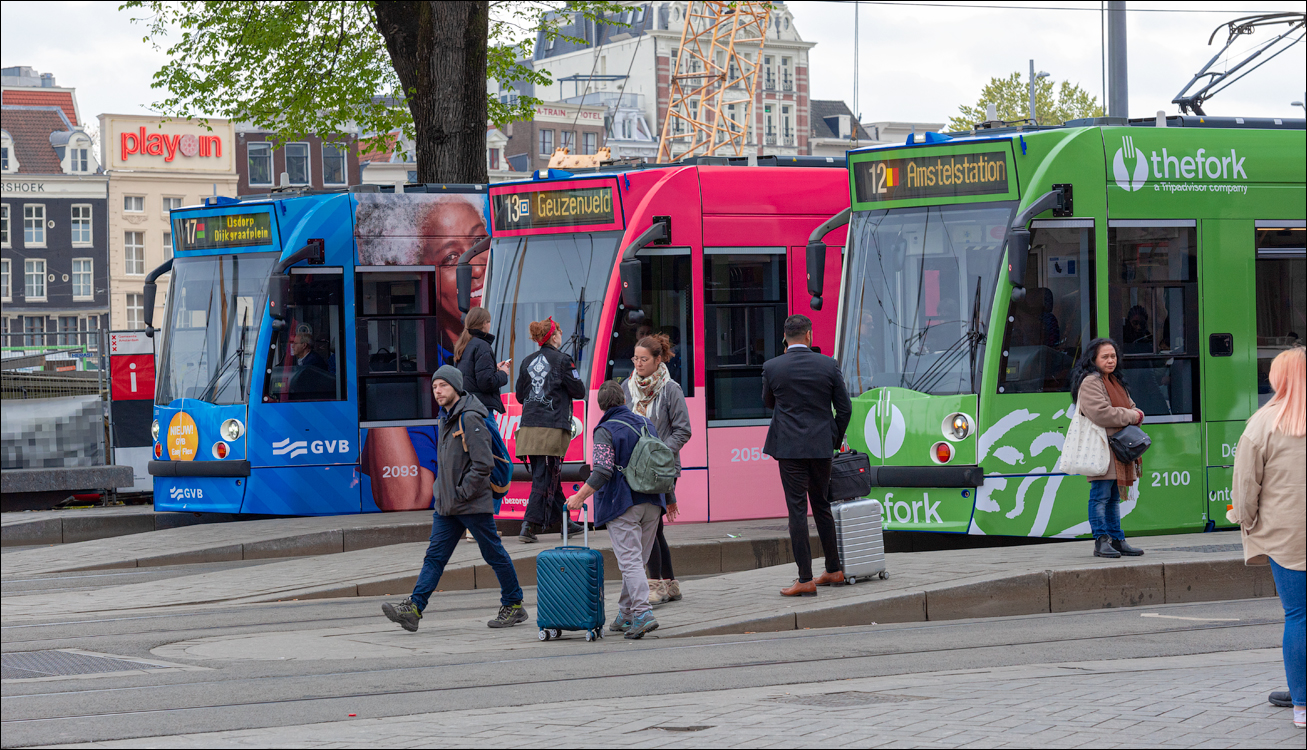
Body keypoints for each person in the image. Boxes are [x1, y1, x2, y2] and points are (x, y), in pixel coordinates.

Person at [382, 365, 529, 632]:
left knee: (493, 553)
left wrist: (463, 492)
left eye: (443, 386)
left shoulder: (470, 418)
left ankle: (514, 604)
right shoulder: (446, 417)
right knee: (434, 557)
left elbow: (482, 463)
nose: (438, 391)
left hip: (470, 502)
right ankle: (414, 608)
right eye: (435, 386)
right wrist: (443, 492)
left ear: (456, 388)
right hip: (447, 504)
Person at [1229, 346, 1305, 727]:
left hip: (1288, 536)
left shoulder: (1263, 423)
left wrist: (1243, 518)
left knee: (1298, 616)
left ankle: (1302, 704)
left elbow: (1245, 485)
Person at [565, 380, 665, 639]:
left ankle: (642, 613)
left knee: (630, 562)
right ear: (623, 399)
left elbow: (602, 470)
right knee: (636, 562)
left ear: (601, 406)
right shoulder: (646, 423)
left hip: (624, 503)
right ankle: (626, 613)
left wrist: (579, 497)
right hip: (654, 502)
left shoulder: (605, 430)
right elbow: (664, 462)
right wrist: (671, 498)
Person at [762, 314, 853, 597]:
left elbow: (768, 403)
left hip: (789, 449)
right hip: (821, 448)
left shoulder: (772, 367)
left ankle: (805, 578)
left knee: (797, 510)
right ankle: (834, 569)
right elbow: (845, 408)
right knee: (822, 505)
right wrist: (832, 439)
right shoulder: (828, 365)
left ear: (785, 338)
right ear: (809, 335)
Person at [624, 333, 691, 605]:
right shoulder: (629, 387)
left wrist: (658, 451)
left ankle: (656, 586)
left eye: (643, 359)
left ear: (658, 360)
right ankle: (670, 583)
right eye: (635, 359)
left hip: (661, 469)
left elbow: (683, 430)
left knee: (648, 526)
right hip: (637, 468)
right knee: (655, 527)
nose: (638, 364)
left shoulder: (670, 389)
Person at [1068, 338, 1146, 559]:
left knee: (1112, 497)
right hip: (1102, 447)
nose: (1111, 360)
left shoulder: (1114, 380)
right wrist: (1133, 416)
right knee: (1100, 496)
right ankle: (1101, 541)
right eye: (1105, 357)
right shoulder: (1091, 382)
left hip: (1117, 448)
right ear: (1093, 359)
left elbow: (1129, 405)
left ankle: (1117, 539)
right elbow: (1101, 413)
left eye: (1113, 356)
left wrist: (1132, 412)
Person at [515, 317, 586, 543]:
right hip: (552, 428)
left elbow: (519, 396)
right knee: (544, 479)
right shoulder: (564, 361)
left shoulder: (526, 361)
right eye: (559, 334)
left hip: (527, 431)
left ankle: (565, 523)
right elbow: (579, 390)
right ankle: (528, 525)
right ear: (554, 336)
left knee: (547, 476)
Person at [454, 306, 511, 416]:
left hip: (468, 406)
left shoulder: (464, 344)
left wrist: (494, 368)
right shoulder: (482, 346)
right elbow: (486, 383)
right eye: (489, 322)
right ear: (484, 323)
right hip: (482, 409)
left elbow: (471, 375)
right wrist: (503, 373)